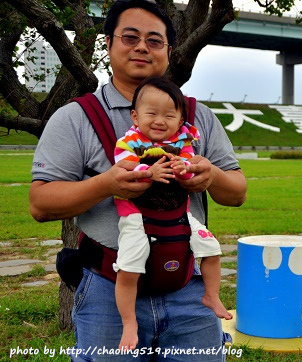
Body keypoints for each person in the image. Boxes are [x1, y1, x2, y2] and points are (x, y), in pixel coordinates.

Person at [29, 0, 247, 360]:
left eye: (154, 40)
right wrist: (107, 184)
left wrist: (211, 176)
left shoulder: (197, 117)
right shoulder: (76, 118)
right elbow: (40, 204)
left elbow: (237, 192)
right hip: (106, 288)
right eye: (130, 37)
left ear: (169, 51)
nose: (142, 47)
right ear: (108, 45)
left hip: (189, 287)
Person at [113, 76, 233, 351]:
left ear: (180, 121)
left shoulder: (182, 141)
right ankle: (129, 321)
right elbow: (123, 168)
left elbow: (191, 165)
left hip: (179, 213)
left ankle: (211, 295)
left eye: (169, 115)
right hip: (136, 217)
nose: (159, 120)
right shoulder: (130, 142)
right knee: (129, 269)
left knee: (211, 249)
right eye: (151, 113)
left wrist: (188, 168)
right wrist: (148, 171)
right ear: (135, 116)